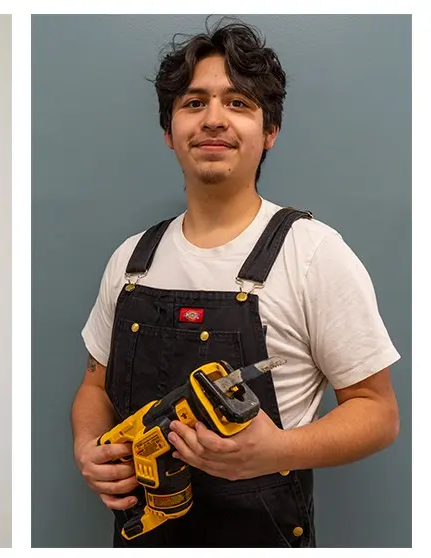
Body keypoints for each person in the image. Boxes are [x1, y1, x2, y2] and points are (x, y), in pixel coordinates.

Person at [71, 19, 400, 548]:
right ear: (169, 131)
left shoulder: (312, 253)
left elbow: (378, 412)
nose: (214, 120)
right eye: (194, 102)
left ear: (269, 132)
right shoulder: (131, 260)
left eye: (239, 103)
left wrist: (277, 452)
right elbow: (93, 387)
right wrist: (90, 447)